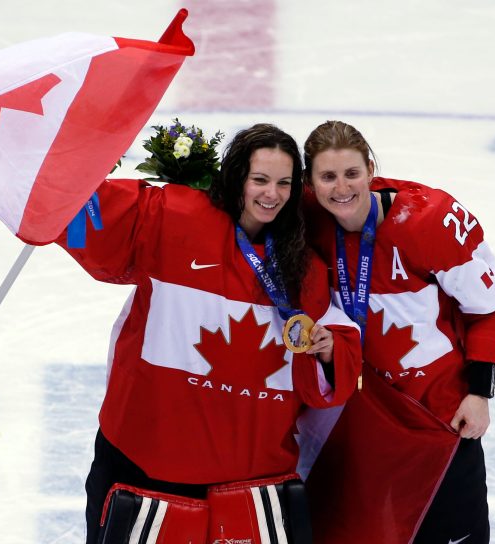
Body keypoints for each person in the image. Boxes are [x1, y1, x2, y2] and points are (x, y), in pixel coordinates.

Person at [50, 123, 362, 542]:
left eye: (284, 183)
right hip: (146, 466)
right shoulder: (173, 217)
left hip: (251, 484)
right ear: (236, 177)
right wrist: (54, 187)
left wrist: (327, 349)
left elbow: (340, 357)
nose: (272, 194)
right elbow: (86, 213)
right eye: (260, 180)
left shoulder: (303, 269)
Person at [302, 120, 495, 543]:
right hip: (365, 413)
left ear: (371, 169)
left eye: (351, 174)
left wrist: (479, 392)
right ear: (310, 182)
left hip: (439, 413)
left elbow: (488, 306)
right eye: (327, 177)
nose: (341, 188)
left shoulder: (428, 222)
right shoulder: (306, 216)